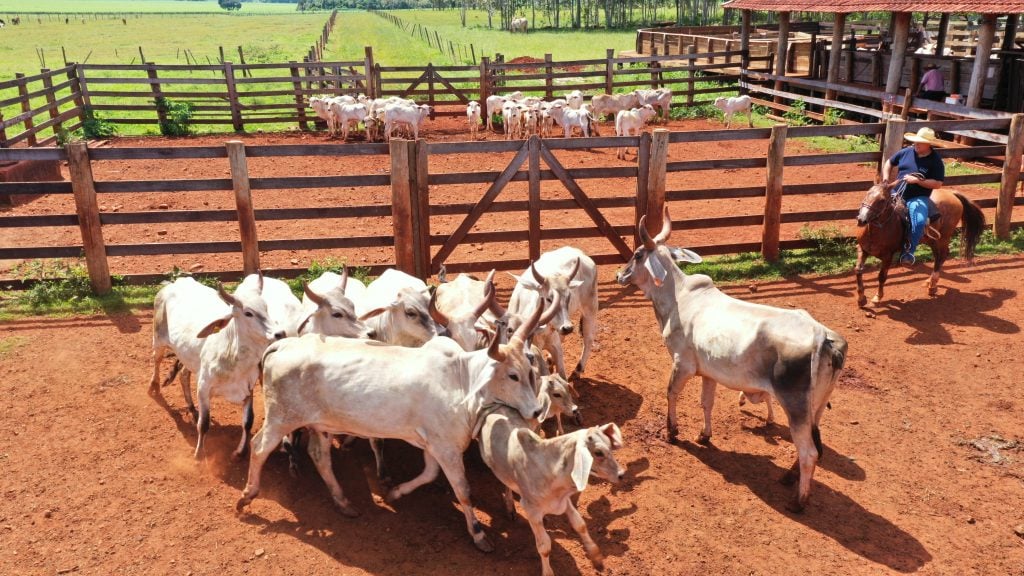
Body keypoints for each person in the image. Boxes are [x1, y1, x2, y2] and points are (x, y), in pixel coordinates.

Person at [880, 127, 946, 265]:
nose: (916, 144)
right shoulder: (906, 152)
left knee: (919, 222)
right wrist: (886, 178)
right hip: (896, 192)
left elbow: (938, 184)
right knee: (874, 209)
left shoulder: (936, 161)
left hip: (917, 197)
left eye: (920, 142)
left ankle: (908, 252)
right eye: (916, 141)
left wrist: (918, 181)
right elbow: (889, 162)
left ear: (928, 144)